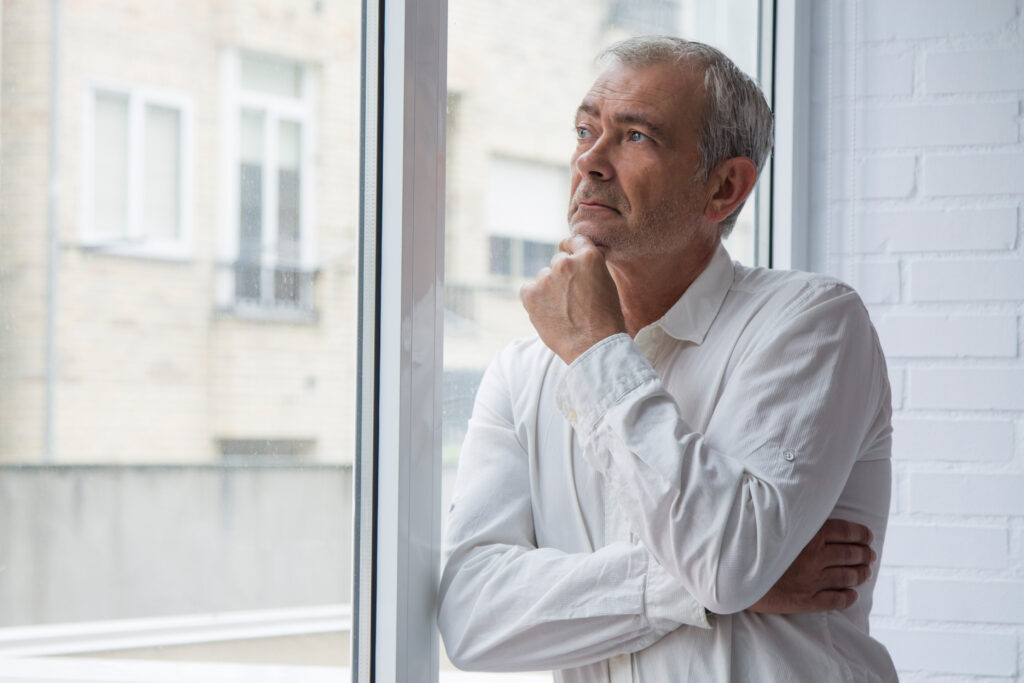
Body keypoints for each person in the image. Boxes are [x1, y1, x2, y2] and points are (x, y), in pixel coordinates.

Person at [438, 36, 897, 682]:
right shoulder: (520, 371)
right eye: (585, 130)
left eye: (635, 137)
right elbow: (471, 615)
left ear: (724, 187)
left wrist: (597, 350)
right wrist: (695, 594)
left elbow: (729, 562)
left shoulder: (812, 323)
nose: (590, 161)